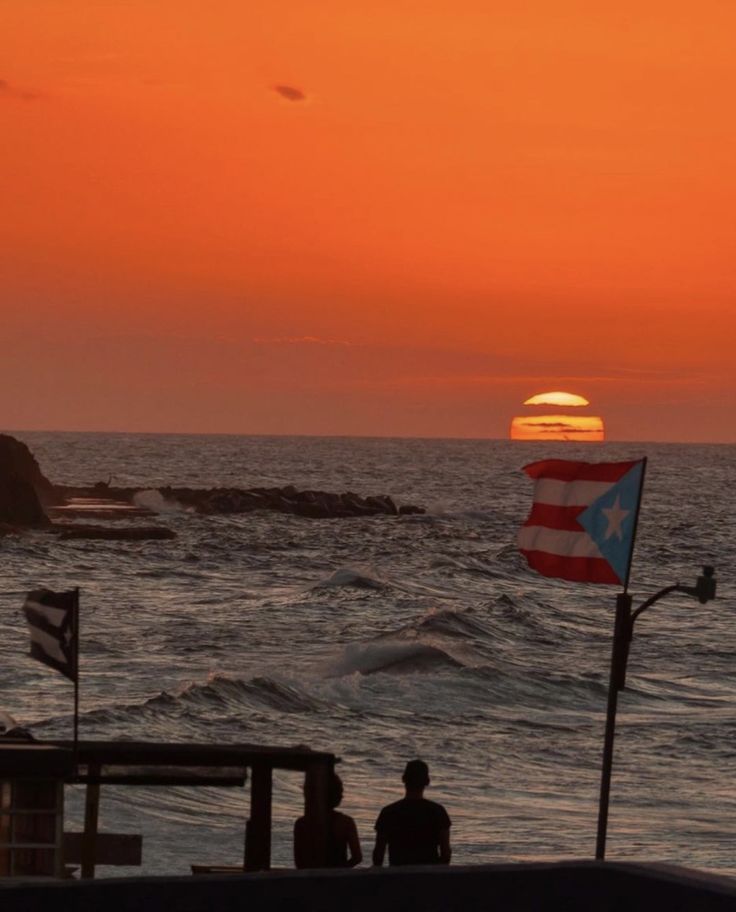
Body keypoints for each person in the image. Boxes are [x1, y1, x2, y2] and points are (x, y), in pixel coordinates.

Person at [372, 759, 451, 866]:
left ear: (403, 779)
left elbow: (378, 855)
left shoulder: (388, 812)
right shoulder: (437, 811)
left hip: (397, 876)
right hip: (429, 877)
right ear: (427, 781)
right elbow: (446, 854)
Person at [294, 773, 362, 868]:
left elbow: (299, 862)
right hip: (337, 879)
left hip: (310, 878)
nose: (342, 796)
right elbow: (357, 857)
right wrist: (340, 870)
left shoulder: (301, 823)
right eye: (341, 792)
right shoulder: (346, 822)